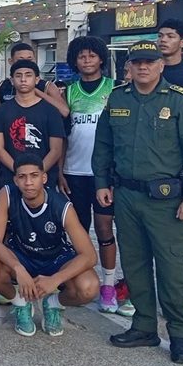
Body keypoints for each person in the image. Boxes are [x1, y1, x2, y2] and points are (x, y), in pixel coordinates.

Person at [93, 40, 183, 364]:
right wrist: (102, 183)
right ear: (129, 66)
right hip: (127, 197)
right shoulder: (118, 98)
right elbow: (103, 146)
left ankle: (179, 335)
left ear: (161, 65)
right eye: (137, 62)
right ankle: (144, 326)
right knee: (135, 264)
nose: (143, 67)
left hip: (167, 201)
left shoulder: (179, 102)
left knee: (172, 268)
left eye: (150, 61)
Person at [0, 154, 99, 337]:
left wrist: (56, 279)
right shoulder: (7, 194)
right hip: (22, 256)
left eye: (34, 176)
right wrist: (18, 269)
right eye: (22, 177)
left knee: (89, 286)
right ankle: (21, 303)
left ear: (44, 178)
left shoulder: (62, 206)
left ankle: (53, 303)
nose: (28, 182)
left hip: (55, 259)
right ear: (16, 180)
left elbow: (90, 255)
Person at [58, 37, 128, 316]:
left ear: (100, 59)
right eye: (81, 57)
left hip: (102, 175)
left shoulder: (114, 89)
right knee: (76, 232)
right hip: (74, 173)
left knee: (104, 231)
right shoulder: (69, 92)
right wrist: (60, 170)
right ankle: (79, 280)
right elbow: (62, 136)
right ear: (74, 61)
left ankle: (109, 286)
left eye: (91, 56)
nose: (86, 61)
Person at [0, 60, 65, 191]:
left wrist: (37, 173)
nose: (23, 79)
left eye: (28, 75)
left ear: (37, 80)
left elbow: (56, 150)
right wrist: (20, 173)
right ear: (12, 80)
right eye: (18, 76)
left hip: (43, 178)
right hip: (10, 176)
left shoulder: (51, 111)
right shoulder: (1, 111)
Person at [0, 43, 69, 117]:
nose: (25, 63)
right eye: (20, 60)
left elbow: (64, 111)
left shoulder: (47, 86)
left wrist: (34, 91)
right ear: (10, 61)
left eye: (29, 60)